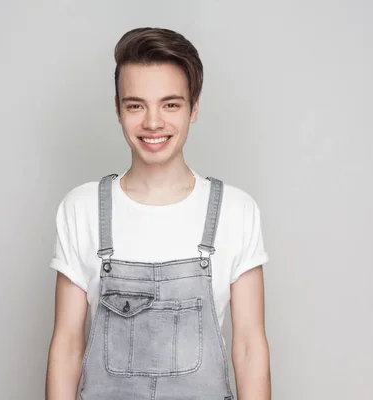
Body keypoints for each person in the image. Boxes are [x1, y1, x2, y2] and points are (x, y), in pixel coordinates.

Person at [46, 27, 271, 400]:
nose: (153, 123)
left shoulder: (236, 210)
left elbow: (249, 348)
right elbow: (67, 345)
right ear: (118, 108)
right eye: (136, 105)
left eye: (171, 104)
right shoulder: (82, 209)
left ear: (194, 107)